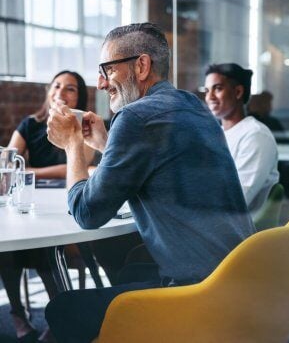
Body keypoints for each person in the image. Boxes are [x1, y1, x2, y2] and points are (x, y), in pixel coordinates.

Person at [44, 22, 254, 343]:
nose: (100, 83)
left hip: (199, 293)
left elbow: (87, 213)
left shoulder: (135, 118)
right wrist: (105, 144)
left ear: (141, 66)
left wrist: (73, 144)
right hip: (237, 280)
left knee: (62, 309)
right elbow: (161, 168)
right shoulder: (192, 106)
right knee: (130, 270)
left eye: (107, 69)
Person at [1, 70, 92, 343]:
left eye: (71, 88)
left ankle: (58, 318)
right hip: (33, 203)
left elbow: (78, 166)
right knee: (9, 245)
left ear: (80, 96)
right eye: (57, 86)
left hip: (67, 203)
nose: (61, 92)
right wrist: (15, 165)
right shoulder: (30, 124)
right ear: (48, 91)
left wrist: (32, 171)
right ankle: (18, 314)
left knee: (45, 243)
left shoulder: (82, 124)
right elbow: (8, 161)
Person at [204, 63, 279, 215]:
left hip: (235, 230)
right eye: (207, 90)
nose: (209, 97)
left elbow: (236, 199)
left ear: (238, 92)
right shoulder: (217, 134)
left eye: (217, 89)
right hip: (212, 219)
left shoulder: (255, 136)